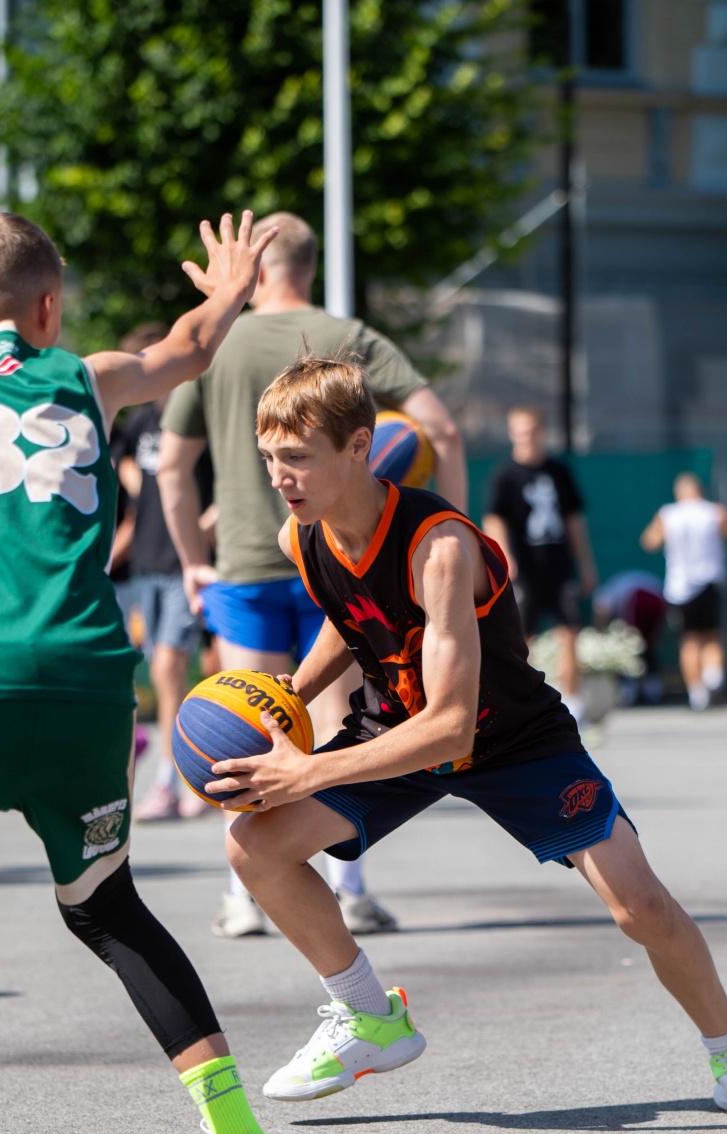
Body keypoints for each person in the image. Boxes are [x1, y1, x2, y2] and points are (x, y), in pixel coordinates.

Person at [203, 355, 727, 1124]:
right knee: (254, 847)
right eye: (269, 458)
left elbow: (450, 725)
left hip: (512, 738)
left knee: (641, 907)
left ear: (359, 447)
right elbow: (350, 615)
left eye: (296, 457)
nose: (279, 477)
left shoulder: (439, 547)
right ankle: (367, 1015)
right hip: (398, 728)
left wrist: (309, 773)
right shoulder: (304, 536)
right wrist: (292, 694)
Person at [0, 208, 296, 1134]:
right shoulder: (90, 375)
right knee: (107, 909)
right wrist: (231, 287)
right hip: (87, 687)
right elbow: (190, 347)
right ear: (50, 307)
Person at [158, 210, 469, 939]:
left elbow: (172, 466)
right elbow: (441, 428)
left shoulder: (220, 343)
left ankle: (243, 896)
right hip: (351, 551)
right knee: (337, 721)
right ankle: (348, 888)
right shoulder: (348, 337)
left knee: (245, 723)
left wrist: (193, 560)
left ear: (258, 266)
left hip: (243, 559)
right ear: (310, 265)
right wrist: (441, 529)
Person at [112, 322, 212, 820]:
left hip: (183, 565)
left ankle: (172, 782)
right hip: (146, 564)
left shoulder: (198, 417)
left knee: (172, 667)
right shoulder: (143, 421)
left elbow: (227, 488)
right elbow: (125, 462)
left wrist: (201, 532)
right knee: (162, 671)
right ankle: (190, 775)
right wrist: (137, 490)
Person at [483, 405, 597, 727]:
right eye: (520, 432)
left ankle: (574, 706)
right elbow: (494, 519)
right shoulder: (505, 475)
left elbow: (574, 521)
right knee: (521, 640)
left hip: (558, 569)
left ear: (542, 432)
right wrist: (505, 557)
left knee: (570, 633)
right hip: (524, 572)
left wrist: (586, 564)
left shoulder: (559, 472)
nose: (526, 438)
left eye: (531, 431)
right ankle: (522, 706)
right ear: (512, 434)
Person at [640, 473, 727, 711]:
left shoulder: (668, 514)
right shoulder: (715, 511)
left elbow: (649, 542)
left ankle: (697, 693)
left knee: (689, 640)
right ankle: (713, 675)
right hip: (709, 583)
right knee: (712, 636)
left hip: (680, 587)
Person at [593, 570, 667, 706]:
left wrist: (600, 633)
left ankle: (630, 690)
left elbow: (601, 616)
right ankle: (652, 689)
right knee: (647, 646)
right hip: (658, 599)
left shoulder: (605, 596)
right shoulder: (617, 587)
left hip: (639, 598)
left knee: (630, 647)